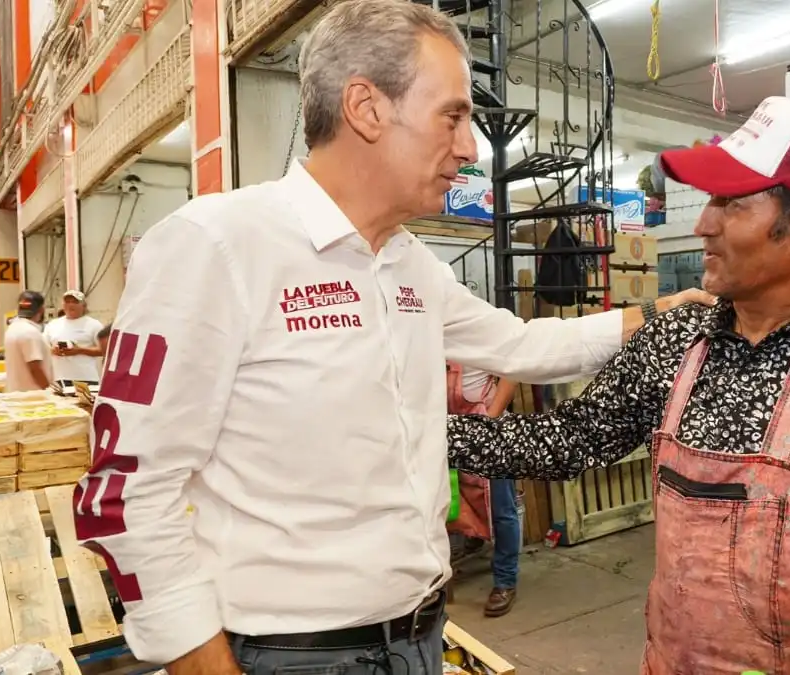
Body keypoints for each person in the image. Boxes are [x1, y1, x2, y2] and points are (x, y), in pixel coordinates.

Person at [71, 3, 713, 675]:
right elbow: (126, 493)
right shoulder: (218, 246)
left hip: (419, 639)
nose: (470, 148)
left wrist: (655, 312)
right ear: (366, 107)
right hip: (292, 657)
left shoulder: (409, 265)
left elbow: (520, 343)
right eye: (453, 116)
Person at [447, 97, 790, 674]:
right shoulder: (676, 342)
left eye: (731, 204)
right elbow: (571, 439)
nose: (703, 223)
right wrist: (424, 432)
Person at [445, 361, 521, 617]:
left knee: (501, 508)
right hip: (451, 427)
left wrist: (491, 420)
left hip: (489, 428)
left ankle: (505, 581)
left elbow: (512, 370)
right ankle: (472, 544)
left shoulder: (483, 323)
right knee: (455, 500)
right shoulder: (427, 329)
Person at [44, 290, 106, 384]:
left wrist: (79, 350)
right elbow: (43, 348)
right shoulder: (53, 325)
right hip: (59, 378)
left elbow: (104, 350)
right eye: (67, 302)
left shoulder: (94, 325)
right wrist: (54, 350)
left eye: (75, 302)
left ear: (83, 306)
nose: (70, 305)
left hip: (86, 378)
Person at [3, 290, 52, 392]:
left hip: (16, 393)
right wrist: (48, 391)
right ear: (41, 310)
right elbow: (35, 368)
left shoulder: (13, 328)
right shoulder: (30, 332)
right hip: (33, 396)